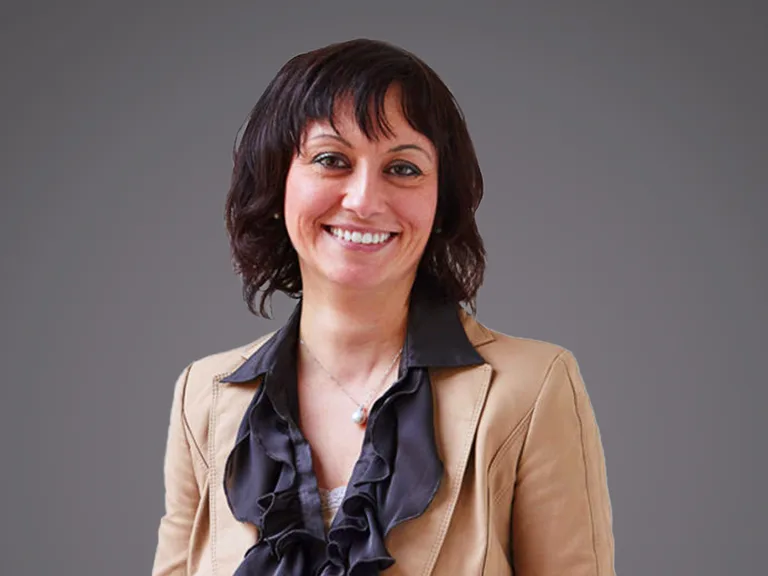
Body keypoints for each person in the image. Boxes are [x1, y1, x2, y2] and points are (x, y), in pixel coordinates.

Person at [152, 38, 615, 576]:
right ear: (277, 181)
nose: (365, 200)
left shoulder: (533, 389)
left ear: (441, 201)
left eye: (403, 168)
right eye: (331, 160)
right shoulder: (203, 398)